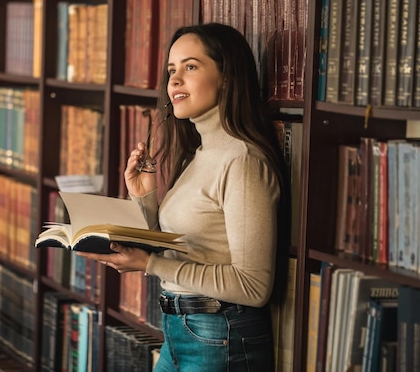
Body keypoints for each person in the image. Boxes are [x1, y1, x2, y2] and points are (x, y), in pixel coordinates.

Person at [77, 22, 290, 372]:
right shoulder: (198, 154)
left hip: (221, 335)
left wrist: (149, 265)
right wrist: (144, 198)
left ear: (226, 76)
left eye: (190, 67)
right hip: (180, 330)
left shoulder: (243, 160)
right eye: (172, 70)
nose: (174, 81)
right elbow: (181, 247)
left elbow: (253, 286)